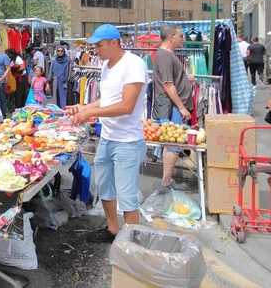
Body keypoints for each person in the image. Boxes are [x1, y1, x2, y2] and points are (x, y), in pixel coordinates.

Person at [68, 24, 148, 243]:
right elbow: (108, 99)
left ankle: (133, 242)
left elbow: (126, 106)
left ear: (114, 43)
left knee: (127, 196)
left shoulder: (134, 64)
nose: (96, 50)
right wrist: (84, 107)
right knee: (104, 187)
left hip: (128, 142)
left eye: (99, 45)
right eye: (94, 46)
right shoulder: (106, 66)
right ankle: (113, 230)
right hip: (108, 137)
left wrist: (91, 112)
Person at [152, 26, 195, 190]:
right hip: (173, 107)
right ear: (171, 37)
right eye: (180, 36)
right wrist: (182, 107)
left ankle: (167, 181)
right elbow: (167, 84)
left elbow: (171, 81)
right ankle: (166, 183)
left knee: (172, 144)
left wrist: (184, 79)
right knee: (174, 145)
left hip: (175, 106)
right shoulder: (164, 56)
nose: (183, 38)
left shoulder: (167, 55)